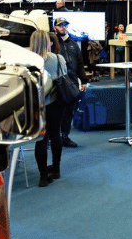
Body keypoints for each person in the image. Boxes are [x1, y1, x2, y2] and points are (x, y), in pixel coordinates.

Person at [29, 30, 66, 187]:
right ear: (47, 42)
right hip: (56, 102)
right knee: (56, 134)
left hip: (37, 105)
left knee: (41, 140)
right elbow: (64, 76)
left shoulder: (27, 61)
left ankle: (43, 176)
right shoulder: (58, 58)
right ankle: (56, 170)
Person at [54, 16, 88, 148]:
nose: (63, 27)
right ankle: (54, 137)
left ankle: (65, 136)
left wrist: (84, 81)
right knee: (56, 111)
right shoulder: (52, 44)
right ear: (55, 27)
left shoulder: (74, 44)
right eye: (61, 25)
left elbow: (80, 64)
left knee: (70, 110)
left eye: (65, 25)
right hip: (57, 83)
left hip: (72, 83)